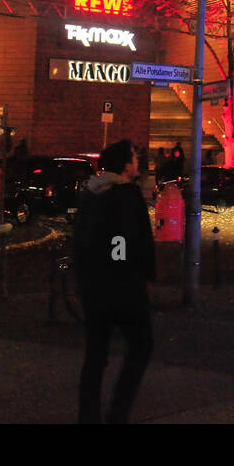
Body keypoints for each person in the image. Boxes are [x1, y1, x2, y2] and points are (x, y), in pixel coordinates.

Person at [75, 139, 155, 424]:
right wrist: (145, 276)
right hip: (124, 287)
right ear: (125, 164)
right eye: (134, 157)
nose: (138, 162)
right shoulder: (128, 195)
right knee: (141, 346)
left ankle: (88, 415)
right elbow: (140, 241)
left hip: (94, 287)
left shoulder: (91, 194)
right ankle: (118, 412)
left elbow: (81, 241)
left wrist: (82, 281)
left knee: (96, 353)